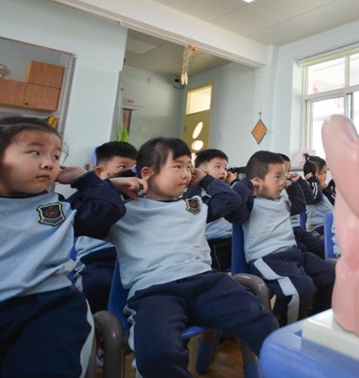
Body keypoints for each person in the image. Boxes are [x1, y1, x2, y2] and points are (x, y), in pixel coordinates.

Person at [0, 118, 129, 377]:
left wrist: (85, 178)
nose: (49, 163)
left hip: (48, 308)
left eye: (56, 156)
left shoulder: (56, 208)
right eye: (34, 152)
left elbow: (108, 209)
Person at [99, 138, 278, 378]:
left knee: (262, 322)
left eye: (188, 167)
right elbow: (80, 214)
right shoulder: (122, 211)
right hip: (155, 292)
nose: (186, 174)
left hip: (206, 283)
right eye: (178, 166)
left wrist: (203, 178)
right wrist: (112, 185)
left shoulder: (192, 204)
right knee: (158, 353)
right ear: (146, 173)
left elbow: (230, 200)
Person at [240, 151, 335, 324]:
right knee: (300, 289)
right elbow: (232, 204)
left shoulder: (282, 197)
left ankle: (317, 321)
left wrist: (291, 185)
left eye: (284, 176)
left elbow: (299, 204)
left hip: (293, 253)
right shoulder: (249, 202)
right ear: (258, 182)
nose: (282, 182)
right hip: (268, 259)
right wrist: (246, 185)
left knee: (331, 274)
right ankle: (288, 331)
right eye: (277, 177)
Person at [73, 141, 138, 312]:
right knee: (98, 285)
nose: (129, 173)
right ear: (100, 172)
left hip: (133, 258)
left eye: (134, 168)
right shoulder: (91, 198)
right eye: (122, 166)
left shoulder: (139, 197)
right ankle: (96, 332)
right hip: (98, 258)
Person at [193, 148, 235, 271]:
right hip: (214, 242)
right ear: (200, 170)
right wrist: (200, 179)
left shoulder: (225, 191)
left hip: (231, 238)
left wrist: (233, 182)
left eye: (226, 168)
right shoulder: (198, 193)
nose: (223, 172)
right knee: (221, 271)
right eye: (217, 167)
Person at [278, 153, 325, 259]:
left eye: (289, 170)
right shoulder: (275, 190)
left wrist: (299, 181)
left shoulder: (291, 187)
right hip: (286, 231)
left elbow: (309, 198)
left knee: (321, 247)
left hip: (298, 229)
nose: (287, 174)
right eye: (284, 171)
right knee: (303, 250)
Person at [303, 154, 334, 235]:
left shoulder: (319, 188)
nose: (324, 176)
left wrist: (326, 190)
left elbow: (334, 203)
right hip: (316, 229)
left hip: (329, 224)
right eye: (320, 173)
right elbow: (315, 198)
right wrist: (313, 181)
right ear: (310, 175)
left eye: (325, 173)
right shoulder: (307, 188)